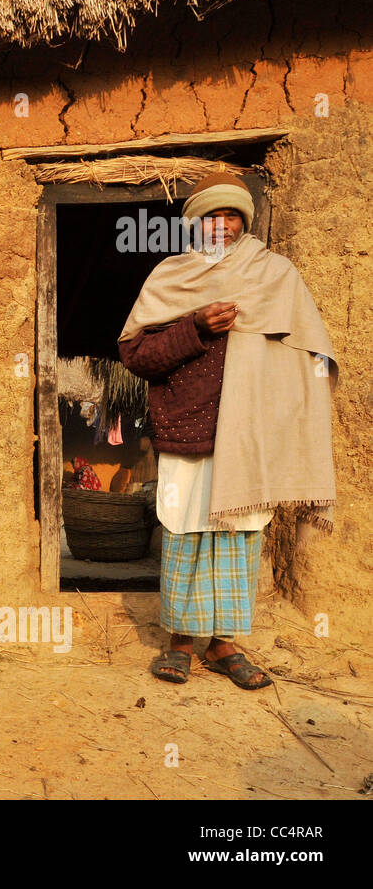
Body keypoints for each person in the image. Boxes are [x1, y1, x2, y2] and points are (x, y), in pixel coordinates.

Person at [117, 172, 338, 691]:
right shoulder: (171, 276)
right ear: (194, 225)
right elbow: (137, 356)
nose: (220, 225)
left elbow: (306, 352)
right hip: (185, 425)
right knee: (185, 528)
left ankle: (223, 645)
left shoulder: (276, 275)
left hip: (252, 432)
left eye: (230, 215)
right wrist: (194, 328)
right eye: (209, 217)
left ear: (243, 221)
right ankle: (180, 643)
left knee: (239, 535)